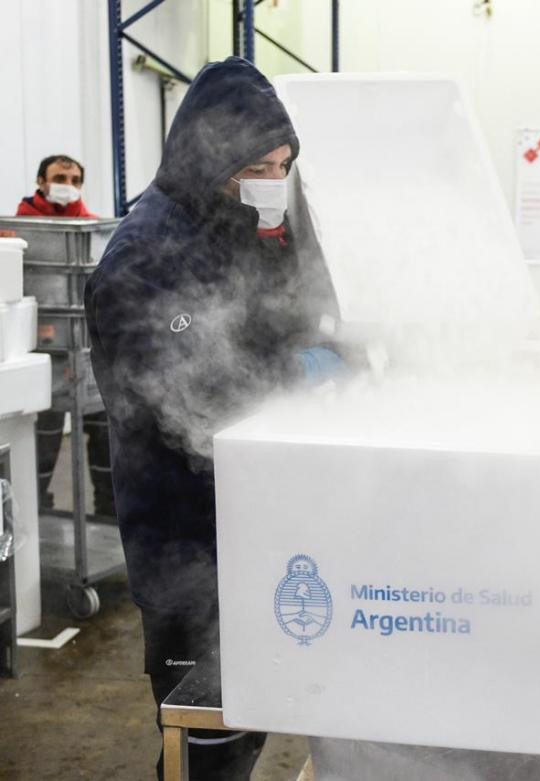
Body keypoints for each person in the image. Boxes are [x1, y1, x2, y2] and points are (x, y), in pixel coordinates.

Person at [85, 57, 342, 780]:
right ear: (209, 155)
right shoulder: (141, 258)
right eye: (256, 164)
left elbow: (302, 316)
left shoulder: (255, 226)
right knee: (204, 741)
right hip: (186, 546)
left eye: (283, 163)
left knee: (249, 721)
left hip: (263, 534)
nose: (272, 179)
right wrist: (301, 375)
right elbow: (186, 398)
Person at [13, 155, 113, 518]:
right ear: (41, 181)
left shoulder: (93, 229)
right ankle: (33, 516)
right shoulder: (18, 231)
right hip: (42, 353)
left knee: (103, 436)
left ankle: (108, 514)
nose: (67, 185)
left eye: (74, 179)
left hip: (88, 350)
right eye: (59, 177)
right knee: (43, 440)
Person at [16, 155, 98, 218]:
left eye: (75, 181)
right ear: (41, 182)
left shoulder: (93, 226)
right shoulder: (18, 225)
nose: (68, 185)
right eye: (59, 179)